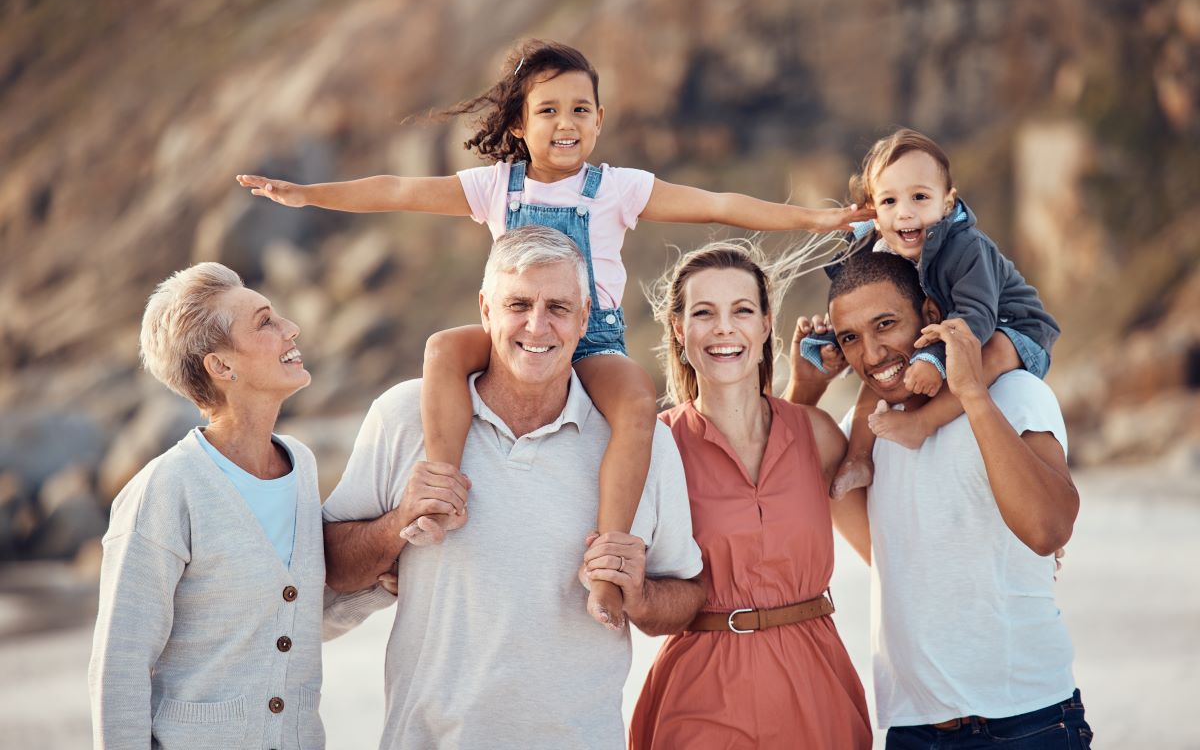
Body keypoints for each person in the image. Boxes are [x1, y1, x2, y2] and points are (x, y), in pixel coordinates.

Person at [237, 39, 868, 629]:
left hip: (592, 338)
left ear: (598, 121)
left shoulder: (617, 189)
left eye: (579, 110)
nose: (565, 122)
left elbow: (721, 204)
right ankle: (441, 492)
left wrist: (817, 218)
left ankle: (609, 556)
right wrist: (308, 194)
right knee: (441, 351)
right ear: (518, 124)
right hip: (514, 335)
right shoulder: (495, 187)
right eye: (548, 110)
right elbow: (398, 190)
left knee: (636, 403)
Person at [320, 226, 706, 750]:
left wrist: (638, 592)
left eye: (558, 307)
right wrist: (397, 524)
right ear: (485, 310)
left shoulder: (646, 446)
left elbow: (684, 599)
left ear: (586, 317)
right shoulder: (403, 417)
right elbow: (334, 572)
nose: (537, 325)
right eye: (518, 304)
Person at [791, 251, 1092, 748]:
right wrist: (804, 389)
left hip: (1027, 721)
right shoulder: (863, 436)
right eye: (850, 338)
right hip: (913, 728)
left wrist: (972, 394)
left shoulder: (1015, 393)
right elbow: (882, 556)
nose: (872, 354)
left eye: (885, 324)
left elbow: (1048, 531)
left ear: (930, 316)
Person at [627, 240, 872, 749]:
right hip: (701, 692)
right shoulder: (654, 447)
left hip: (815, 683)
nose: (724, 328)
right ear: (679, 329)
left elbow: (885, 550)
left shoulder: (817, 432)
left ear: (765, 324)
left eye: (741, 310)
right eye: (703, 313)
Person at [88, 263, 325, 749]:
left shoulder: (300, 464)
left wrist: (398, 546)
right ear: (221, 367)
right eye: (265, 322)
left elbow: (300, 613)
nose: (291, 328)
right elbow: (120, 666)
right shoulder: (167, 489)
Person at [800, 128, 1060, 498]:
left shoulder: (966, 247)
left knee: (993, 351)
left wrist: (933, 359)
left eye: (920, 197)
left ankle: (923, 422)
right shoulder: (879, 244)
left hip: (1011, 328)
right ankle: (858, 458)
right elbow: (855, 296)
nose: (905, 213)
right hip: (948, 328)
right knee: (878, 367)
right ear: (874, 213)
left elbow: (977, 316)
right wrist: (832, 343)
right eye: (889, 202)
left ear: (948, 203)